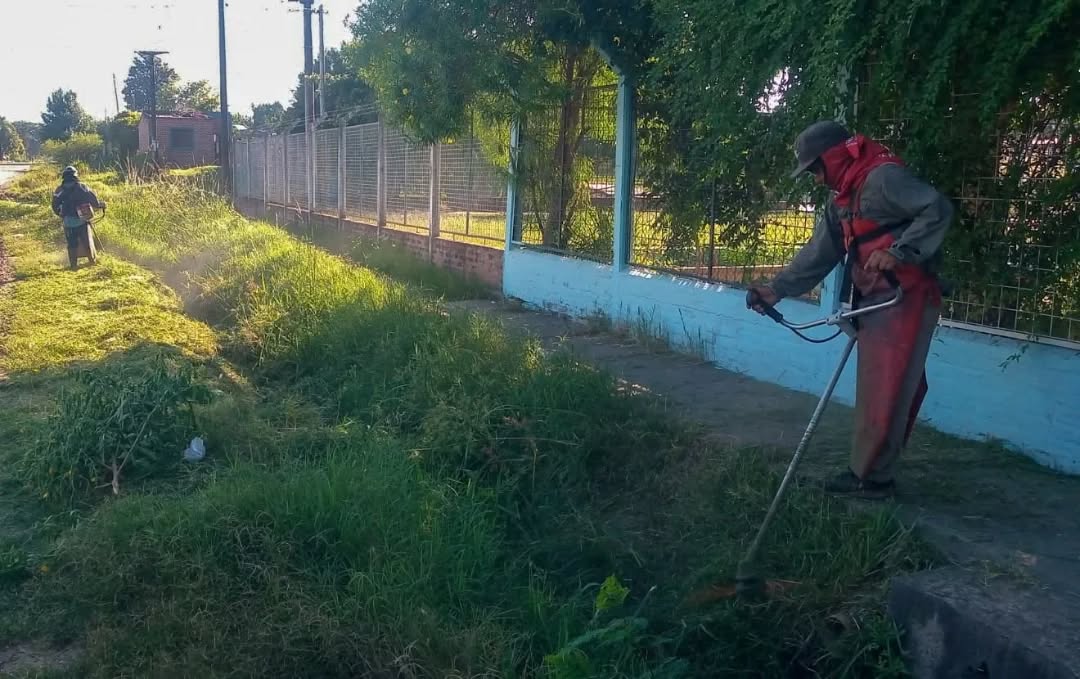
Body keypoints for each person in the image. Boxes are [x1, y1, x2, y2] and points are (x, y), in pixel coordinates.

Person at [746, 120, 953, 498]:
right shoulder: (841, 200)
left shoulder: (884, 180)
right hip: (874, 301)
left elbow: (936, 208)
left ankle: (874, 480)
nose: (814, 178)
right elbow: (820, 253)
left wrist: (899, 252)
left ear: (835, 155)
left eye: (815, 168)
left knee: (891, 387)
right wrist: (775, 290)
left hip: (905, 296)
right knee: (878, 388)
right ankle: (867, 473)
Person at [51, 165, 104, 270]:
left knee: (72, 244)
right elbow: (93, 199)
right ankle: (91, 261)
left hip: (68, 222)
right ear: (75, 176)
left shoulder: (59, 190)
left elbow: (54, 205)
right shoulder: (82, 187)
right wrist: (99, 205)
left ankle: (73, 265)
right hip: (82, 220)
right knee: (86, 241)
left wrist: (61, 214)